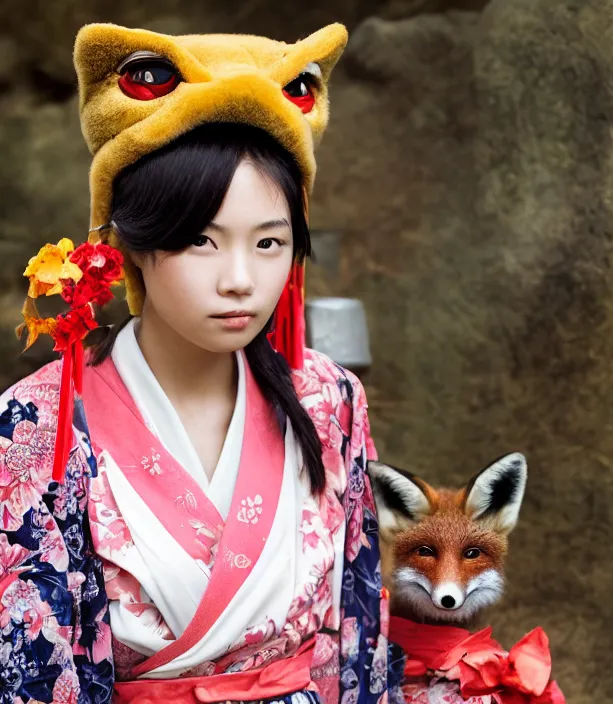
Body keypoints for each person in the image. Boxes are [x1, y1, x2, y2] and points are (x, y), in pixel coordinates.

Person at [0, 21, 404, 704]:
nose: (241, 279)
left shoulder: (329, 398)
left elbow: (357, 629)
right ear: (128, 240)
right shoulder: (35, 422)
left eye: (270, 243)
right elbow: (32, 670)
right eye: (200, 241)